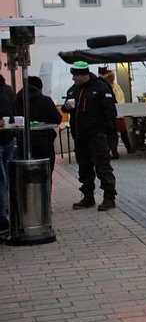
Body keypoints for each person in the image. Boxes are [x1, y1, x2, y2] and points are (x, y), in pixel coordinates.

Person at [60, 62, 119, 211]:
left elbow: (110, 111)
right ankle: (88, 197)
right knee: (84, 168)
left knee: (102, 167)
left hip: (96, 137)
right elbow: (66, 107)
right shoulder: (73, 90)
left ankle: (109, 197)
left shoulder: (100, 87)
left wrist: (103, 131)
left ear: (83, 74)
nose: (73, 78)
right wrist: (65, 108)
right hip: (80, 136)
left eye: (75, 75)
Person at [13, 76, 62, 172]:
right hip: (44, 143)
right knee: (45, 174)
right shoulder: (46, 100)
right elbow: (57, 119)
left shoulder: (16, 101)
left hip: (23, 142)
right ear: (40, 87)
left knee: (25, 174)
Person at [0, 74, 15, 231]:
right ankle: (3, 217)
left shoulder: (8, 90)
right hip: (5, 139)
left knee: (7, 179)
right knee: (2, 179)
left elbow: (13, 110)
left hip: (8, 138)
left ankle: (6, 212)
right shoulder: (7, 90)